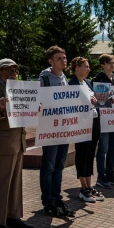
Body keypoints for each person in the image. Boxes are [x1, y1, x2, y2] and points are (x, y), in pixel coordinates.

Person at [0, 59, 32, 228]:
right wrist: (0, 109)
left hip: (18, 140)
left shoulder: (20, 89)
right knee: (2, 184)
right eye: (9, 69)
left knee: (16, 183)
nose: (13, 72)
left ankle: (13, 217)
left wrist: (33, 108)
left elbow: (23, 112)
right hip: (4, 143)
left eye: (15, 69)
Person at [38, 46, 75, 217]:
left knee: (59, 166)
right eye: (59, 58)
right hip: (50, 128)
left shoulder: (64, 78)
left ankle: (57, 197)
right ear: (51, 61)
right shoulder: (44, 79)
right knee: (49, 166)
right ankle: (48, 200)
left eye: (65, 57)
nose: (64, 60)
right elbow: (37, 100)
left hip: (64, 128)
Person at [68, 57, 102, 203]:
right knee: (82, 153)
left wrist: (102, 100)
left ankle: (89, 184)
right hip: (81, 123)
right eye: (86, 67)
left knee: (90, 153)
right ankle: (83, 188)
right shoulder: (72, 84)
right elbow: (72, 104)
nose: (88, 69)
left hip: (93, 121)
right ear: (76, 67)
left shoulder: (87, 82)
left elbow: (94, 101)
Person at [92, 54, 114, 188]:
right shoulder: (98, 78)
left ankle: (110, 174)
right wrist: (107, 99)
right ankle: (101, 177)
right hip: (104, 119)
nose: (113, 64)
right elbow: (98, 98)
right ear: (103, 65)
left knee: (113, 148)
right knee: (103, 148)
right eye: (110, 62)